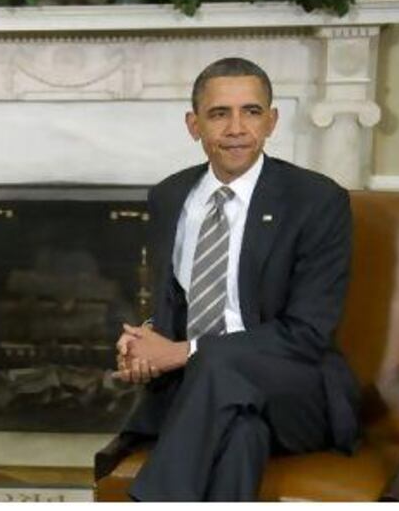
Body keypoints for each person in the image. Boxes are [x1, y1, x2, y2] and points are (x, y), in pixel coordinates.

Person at [113, 57, 360, 501]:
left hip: (296, 393)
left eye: (251, 111)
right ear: (194, 125)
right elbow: (175, 304)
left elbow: (307, 335)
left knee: (216, 363)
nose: (236, 128)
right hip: (209, 399)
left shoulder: (317, 201)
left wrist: (184, 352)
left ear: (272, 121)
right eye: (219, 113)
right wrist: (147, 340)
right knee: (241, 437)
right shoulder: (170, 196)